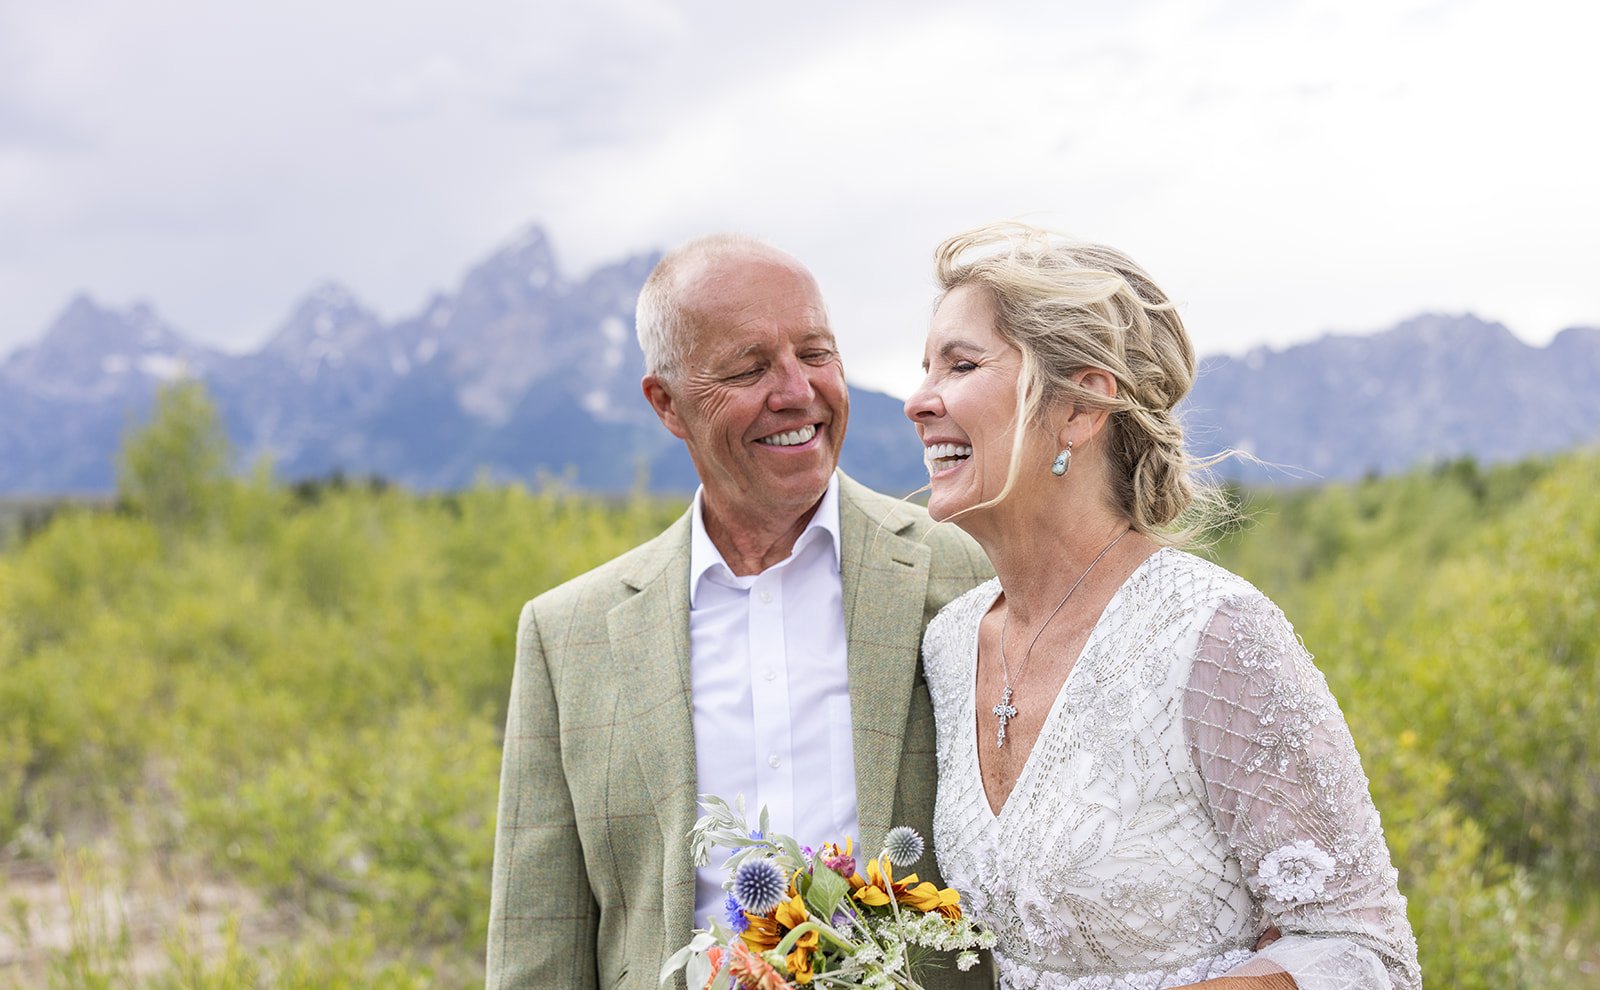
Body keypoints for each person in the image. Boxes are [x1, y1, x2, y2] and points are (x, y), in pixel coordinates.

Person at [903, 222, 1422, 990]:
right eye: (925, 368)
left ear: (1080, 408)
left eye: (961, 364)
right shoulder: (949, 645)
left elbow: (1364, 952)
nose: (918, 402)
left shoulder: (1212, 636)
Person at [485, 234, 995, 989]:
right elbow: (539, 940)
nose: (796, 391)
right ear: (667, 404)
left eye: (816, 354)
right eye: (749, 368)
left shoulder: (969, 571)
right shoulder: (568, 636)